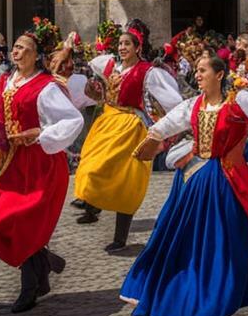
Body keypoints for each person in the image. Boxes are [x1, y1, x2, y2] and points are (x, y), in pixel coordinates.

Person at [121, 55, 248, 316]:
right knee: (174, 240)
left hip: (225, 181)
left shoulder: (240, 101)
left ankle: (188, 308)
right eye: (197, 70)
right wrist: (153, 137)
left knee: (212, 245)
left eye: (203, 70)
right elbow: (170, 122)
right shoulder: (194, 104)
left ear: (219, 74)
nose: (198, 74)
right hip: (191, 180)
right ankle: (162, 305)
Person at [0, 19, 84, 313]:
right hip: (4, 163)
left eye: (23, 48)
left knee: (25, 223)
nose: (17, 52)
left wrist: (41, 134)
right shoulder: (0, 82)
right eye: (15, 47)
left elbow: (73, 120)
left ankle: (28, 289)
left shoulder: (45, 87)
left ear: (37, 56)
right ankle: (45, 263)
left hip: (38, 164)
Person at [75, 19, 183, 251]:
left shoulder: (149, 72)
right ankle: (91, 203)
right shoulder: (111, 67)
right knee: (92, 165)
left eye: (127, 44)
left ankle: (119, 236)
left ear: (138, 48)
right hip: (107, 123)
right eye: (120, 43)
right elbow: (90, 68)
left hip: (130, 127)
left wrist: (164, 126)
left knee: (125, 181)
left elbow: (174, 101)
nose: (122, 47)